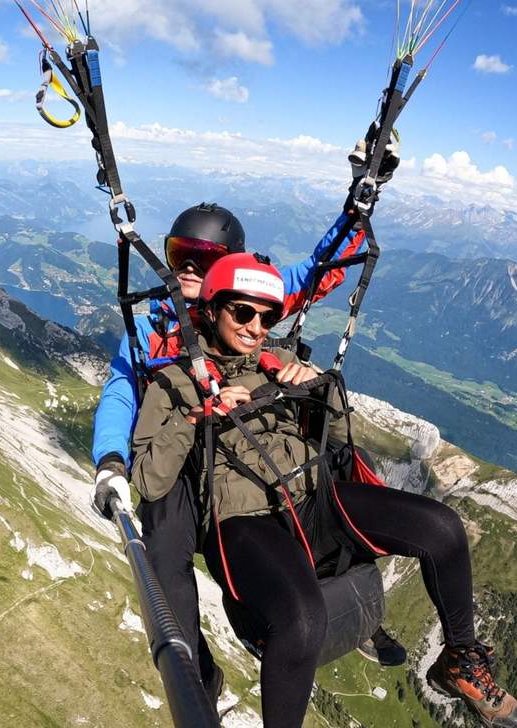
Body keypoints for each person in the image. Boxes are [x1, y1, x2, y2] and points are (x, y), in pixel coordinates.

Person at [129, 253, 517, 728]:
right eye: (243, 312)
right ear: (211, 310)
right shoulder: (173, 382)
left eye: (268, 316)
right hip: (244, 521)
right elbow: (150, 479)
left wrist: (318, 389)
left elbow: (338, 436)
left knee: (441, 528)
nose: (257, 326)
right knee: (302, 621)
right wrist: (196, 418)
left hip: (315, 497)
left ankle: (460, 658)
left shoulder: (280, 361)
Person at [90, 202, 374, 699]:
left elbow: (315, 273)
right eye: (181, 256)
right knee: (163, 545)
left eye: (206, 259)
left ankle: (344, 578)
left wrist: (357, 208)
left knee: (333, 463)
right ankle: (196, 673)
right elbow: (121, 389)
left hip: (235, 436)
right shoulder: (152, 326)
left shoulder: (240, 299)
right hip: (182, 446)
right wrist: (111, 459)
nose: (189, 271)